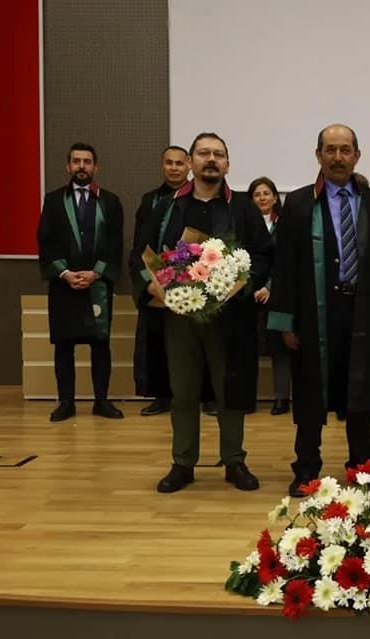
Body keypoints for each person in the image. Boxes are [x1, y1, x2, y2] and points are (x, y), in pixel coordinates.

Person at [132, 132, 272, 493]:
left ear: (227, 164)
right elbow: (140, 254)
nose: (211, 159)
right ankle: (182, 463)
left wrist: (244, 283)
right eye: (204, 153)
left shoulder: (243, 208)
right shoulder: (165, 208)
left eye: (218, 154)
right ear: (191, 161)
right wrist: (150, 286)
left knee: (230, 391)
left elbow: (264, 254)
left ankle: (234, 460)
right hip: (178, 317)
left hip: (230, 318)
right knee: (182, 391)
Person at [268, 124, 370, 497]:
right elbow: (284, 265)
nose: (338, 157)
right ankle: (306, 468)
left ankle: (361, 467)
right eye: (331, 150)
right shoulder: (299, 203)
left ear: (357, 155)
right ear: (318, 154)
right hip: (313, 312)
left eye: (345, 150)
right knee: (309, 394)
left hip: (361, 310)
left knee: (360, 392)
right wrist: (285, 321)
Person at [37, 143, 125, 422]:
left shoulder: (110, 201)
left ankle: (101, 401)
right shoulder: (53, 200)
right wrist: (64, 273)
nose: (82, 166)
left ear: (96, 167)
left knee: (101, 345)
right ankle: (66, 402)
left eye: (87, 161)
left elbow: (116, 243)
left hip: (97, 285)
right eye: (76, 161)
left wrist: (96, 273)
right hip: (64, 284)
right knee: (64, 345)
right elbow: (45, 240)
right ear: (68, 166)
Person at [130, 146, 189, 417]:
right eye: (169, 163)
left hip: (193, 280)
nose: (174, 168)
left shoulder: (199, 197)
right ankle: (162, 396)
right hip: (158, 284)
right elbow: (141, 246)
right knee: (156, 342)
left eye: (179, 163)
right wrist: (152, 281)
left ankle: (206, 396)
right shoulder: (150, 200)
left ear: (189, 165)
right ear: (162, 165)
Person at [248, 176, 291, 415]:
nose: (262, 198)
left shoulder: (285, 225)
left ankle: (281, 398)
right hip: (248, 293)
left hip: (277, 293)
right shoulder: (245, 224)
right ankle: (246, 398)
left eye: (266, 193)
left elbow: (285, 262)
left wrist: (269, 287)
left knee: (279, 348)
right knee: (247, 347)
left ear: (275, 198)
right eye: (257, 194)